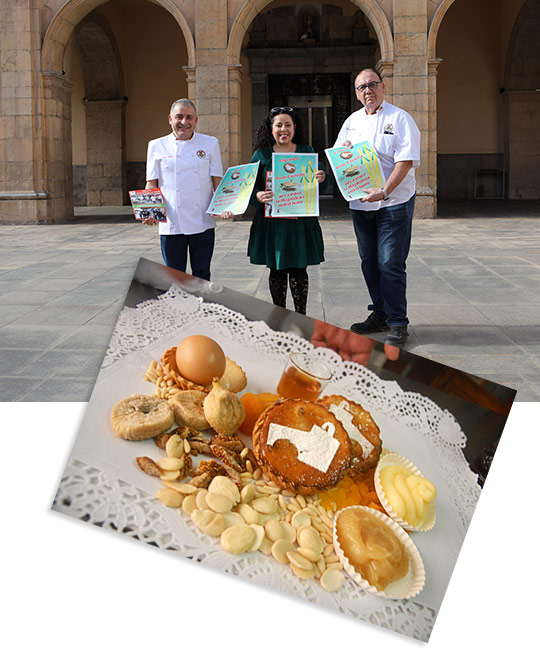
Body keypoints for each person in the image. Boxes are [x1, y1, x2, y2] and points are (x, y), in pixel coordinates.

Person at [335, 68, 421, 348]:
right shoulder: (351, 122)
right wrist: (344, 153)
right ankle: (381, 313)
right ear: (357, 94)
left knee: (389, 263)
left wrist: (384, 191)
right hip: (361, 205)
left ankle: (398, 322)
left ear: (383, 87)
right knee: (369, 262)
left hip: (393, 203)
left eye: (372, 84)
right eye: (361, 87)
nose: (367, 90)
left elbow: (405, 161)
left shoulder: (400, 119)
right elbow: (339, 159)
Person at [247, 106, 327, 315]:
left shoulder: (306, 152)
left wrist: (321, 178)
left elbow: (319, 188)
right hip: (273, 223)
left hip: (300, 221)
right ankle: (280, 316)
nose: (284, 129)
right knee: (277, 269)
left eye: (288, 125)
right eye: (279, 125)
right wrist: (257, 196)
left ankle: (301, 316)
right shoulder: (261, 154)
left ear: (294, 128)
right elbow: (248, 186)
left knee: (300, 269)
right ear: (270, 128)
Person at [144, 98, 231, 281]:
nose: (184, 122)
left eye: (189, 117)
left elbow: (217, 179)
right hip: (171, 223)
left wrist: (225, 205)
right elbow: (152, 183)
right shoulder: (156, 145)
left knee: (202, 274)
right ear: (170, 119)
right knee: (175, 276)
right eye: (179, 117)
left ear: (196, 120)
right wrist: (149, 211)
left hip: (203, 220)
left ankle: (201, 309)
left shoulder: (210, 143)